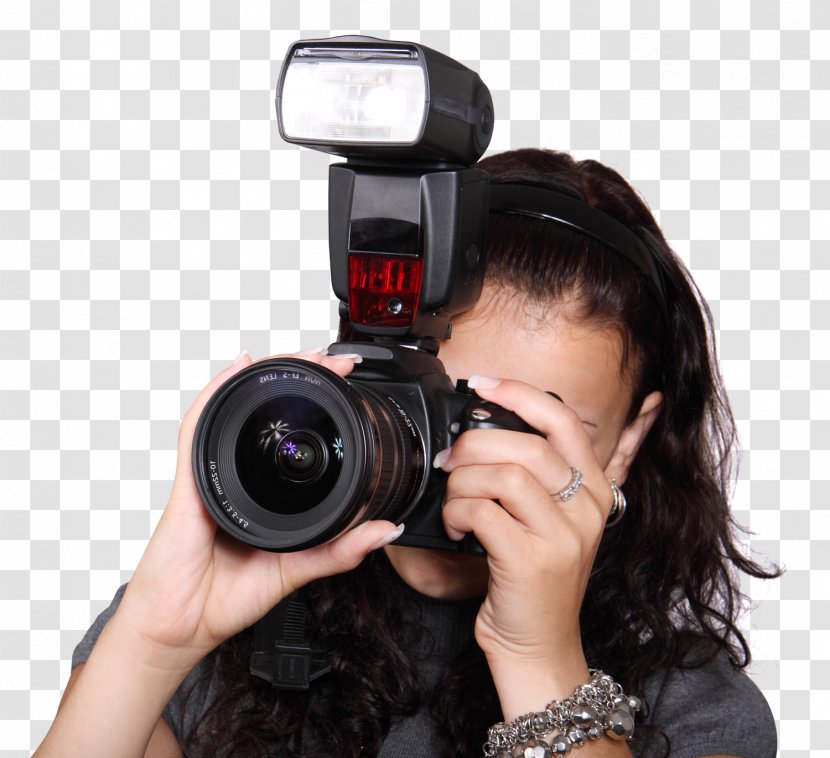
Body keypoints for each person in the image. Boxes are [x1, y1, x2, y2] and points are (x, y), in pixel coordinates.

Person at [36, 148, 780, 758]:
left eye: (526, 426)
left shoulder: (695, 707)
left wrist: (540, 661)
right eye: (433, 402)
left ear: (626, 444)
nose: (460, 459)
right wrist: (152, 643)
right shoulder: (221, 619)